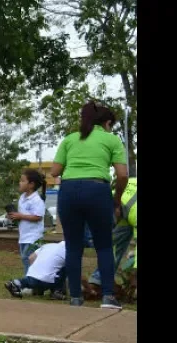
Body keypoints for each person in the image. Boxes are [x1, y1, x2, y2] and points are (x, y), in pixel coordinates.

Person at [51, 101, 128, 309]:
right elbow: (122, 175)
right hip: (97, 190)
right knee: (104, 245)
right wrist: (117, 199)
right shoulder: (111, 139)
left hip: (68, 192)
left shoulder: (69, 139)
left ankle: (75, 297)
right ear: (107, 123)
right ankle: (108, 297)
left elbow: (54, 171)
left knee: (73, 246)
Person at [88, 177, 137, 287]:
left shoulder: (134, 213)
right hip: (126, 210)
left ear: (117, 208)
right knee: (112, 243)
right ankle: (99, 279)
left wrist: (135, 272)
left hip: (133, 211)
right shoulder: (109, 197)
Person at [8, 169, 46, 275]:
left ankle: (30, 283)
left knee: (28, 258)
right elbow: (23, 215)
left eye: (22, 180)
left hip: (34, 237)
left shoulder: (37, 200)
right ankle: (32, 282)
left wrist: (21, 216)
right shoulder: (22, 198)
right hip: (24, 236)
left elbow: (38, 217)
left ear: (31, 184)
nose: (19, 183)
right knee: (26, 259)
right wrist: (14, 216)